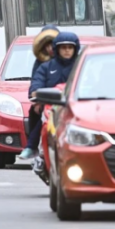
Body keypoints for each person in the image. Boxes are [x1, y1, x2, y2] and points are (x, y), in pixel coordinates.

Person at [28, 31, 81, 175]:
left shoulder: (81, 66)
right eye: (63, 47)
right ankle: (41, 155)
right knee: (45, 127)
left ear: (76, 49)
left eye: (70, 47)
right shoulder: (46, 67)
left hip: (78, 109)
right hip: (51, 108)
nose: (67, 50)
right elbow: (35, 86)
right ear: (56, 49)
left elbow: (94, 85)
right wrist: (38, 97)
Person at [19, 24, 59, 160]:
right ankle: (31, 146)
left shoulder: (73, 61)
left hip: (68, 101)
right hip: (48, 102)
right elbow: (36, 81)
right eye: (46, 45)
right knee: (38, 115)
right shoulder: (41, 63)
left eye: (53, 44)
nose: (50, 48)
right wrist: (36, 97)